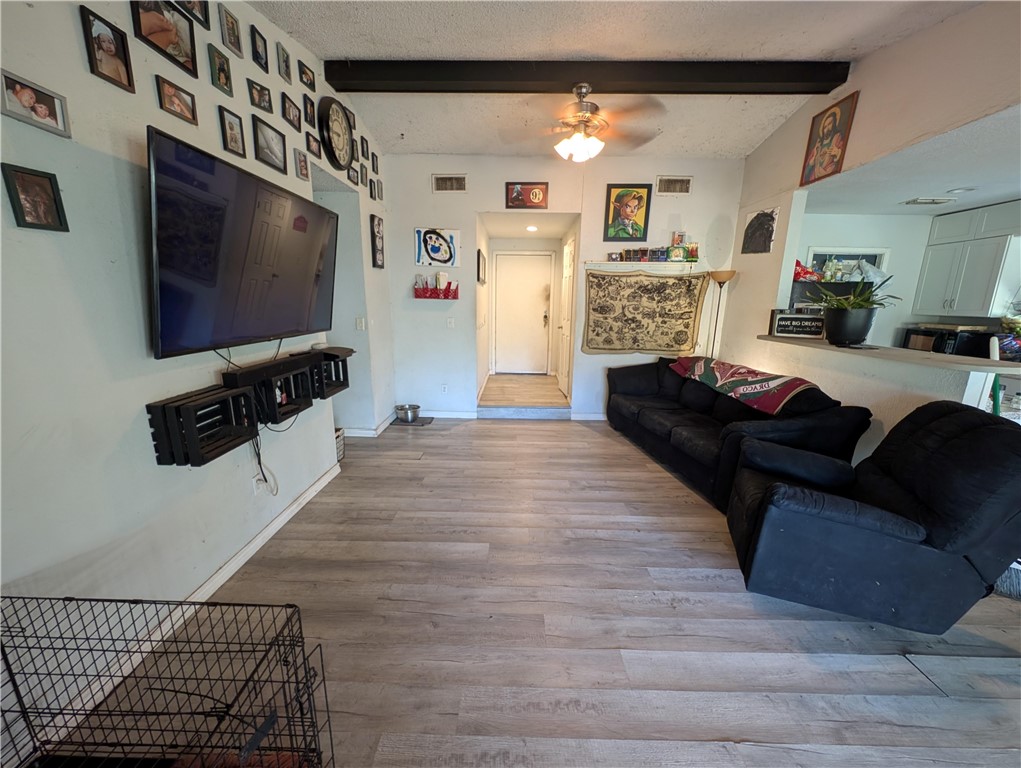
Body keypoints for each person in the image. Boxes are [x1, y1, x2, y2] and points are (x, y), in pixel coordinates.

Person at [802, 106, 845, 184]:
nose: (827, 128)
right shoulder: (818, 145)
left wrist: (838, 153)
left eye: (830, 124)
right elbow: (806, 176)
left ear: (835, 123)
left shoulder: (837, 138)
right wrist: (813, 159)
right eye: (825, 127)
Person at [92, 19, 130, 86]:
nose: (108, 46)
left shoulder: (118, 62)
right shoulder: (101, 53)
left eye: (110, 42)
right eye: (103, 41)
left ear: (115, 44)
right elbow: (96, 56)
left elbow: (125, 83)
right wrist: (95, 46)